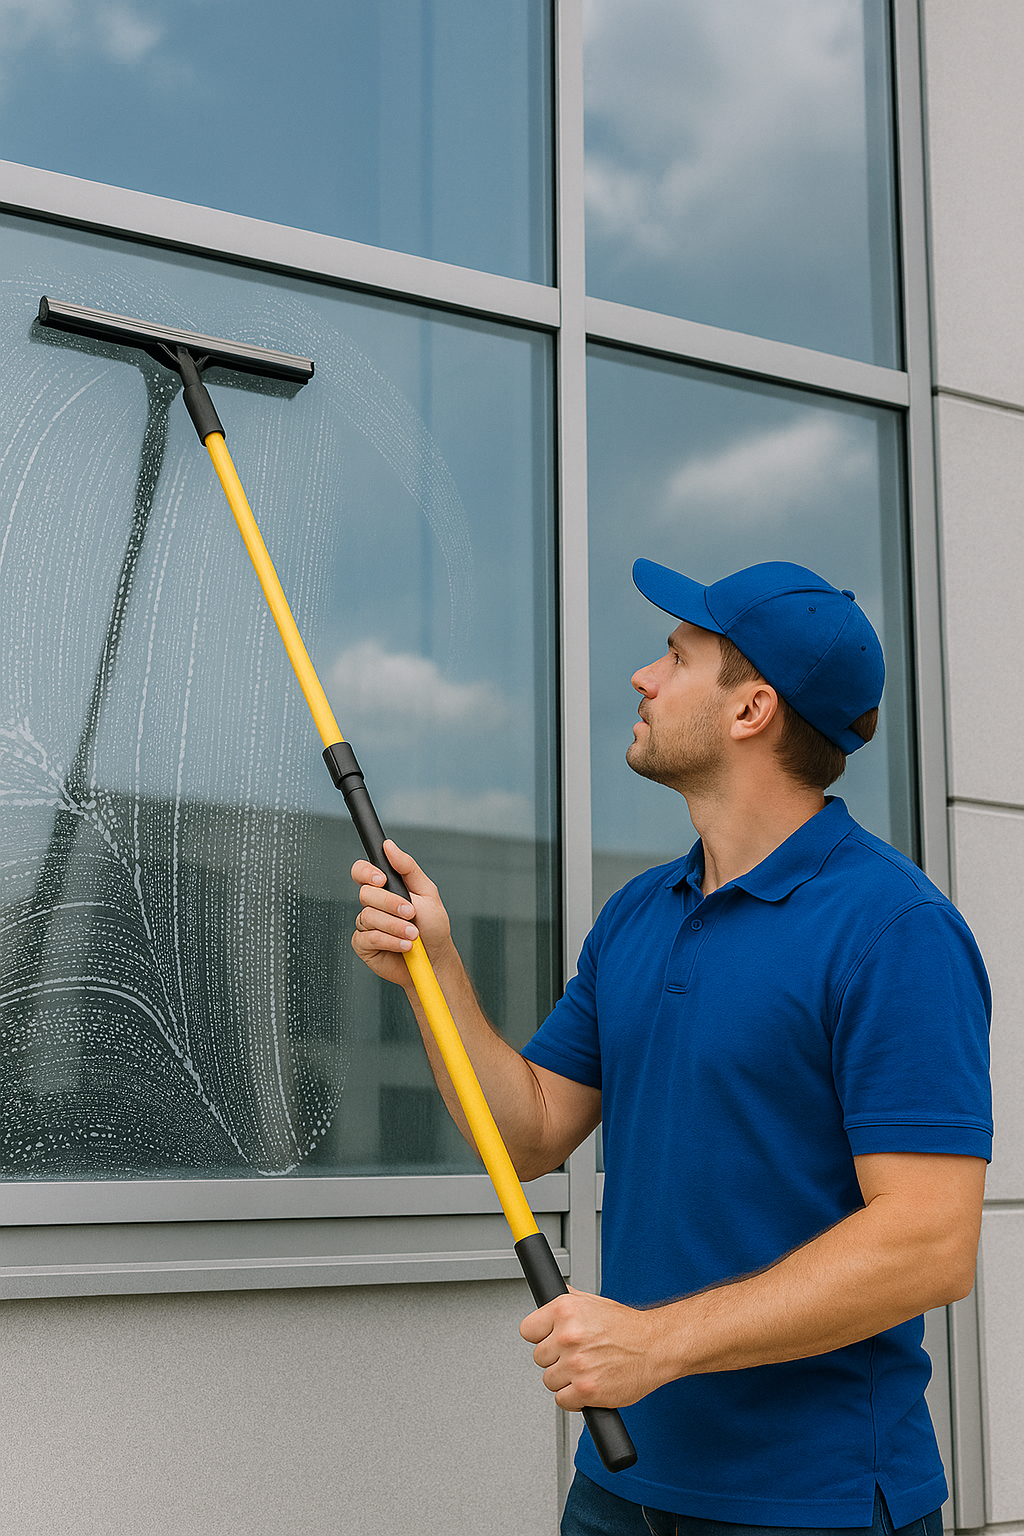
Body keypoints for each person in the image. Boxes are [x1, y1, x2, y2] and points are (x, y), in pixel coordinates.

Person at [350, 559, 991, 1536]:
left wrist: (660, 1343)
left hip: (811, 1503)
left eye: (676, 657)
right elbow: (526, 1133)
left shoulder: (892, 928)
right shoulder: (641, 914)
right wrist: (435, 975)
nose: (644, 679)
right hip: (625, 1487)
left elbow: (928, 1243)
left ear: (751, 711)